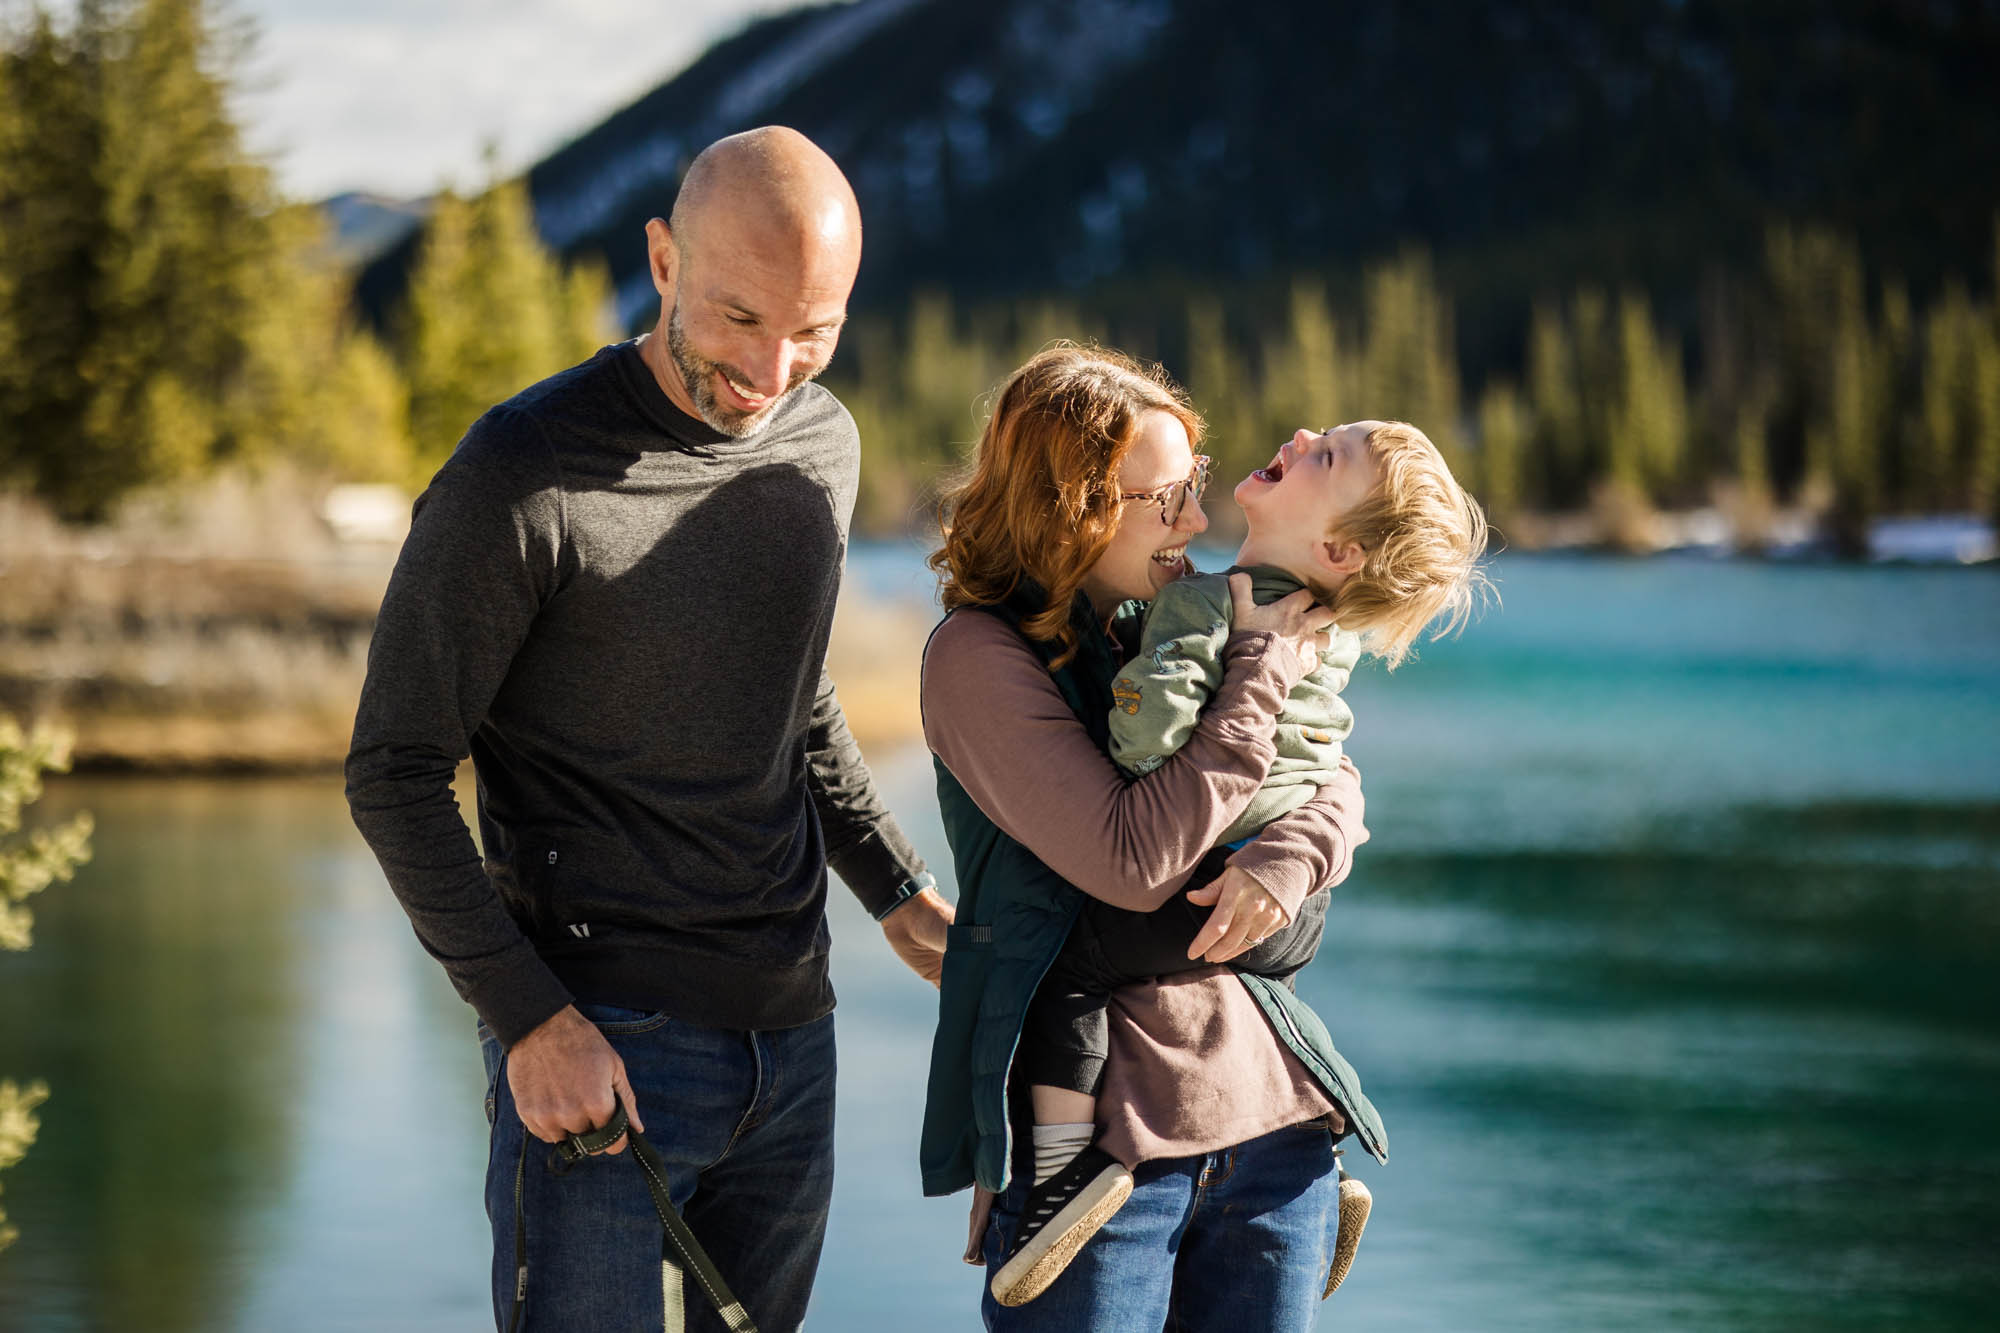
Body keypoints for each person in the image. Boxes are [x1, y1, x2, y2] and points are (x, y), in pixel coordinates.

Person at [345, 126, 953, 1332]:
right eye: (739, 319)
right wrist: (529, 1020)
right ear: (663, 260)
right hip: (599, 1050)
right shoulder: (520, 473)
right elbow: (394, 771)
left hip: (792, 1040)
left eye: (813, 331)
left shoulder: (820, 447)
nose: (773, 367)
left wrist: (894, 887)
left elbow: (798, 698)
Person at [919, 344, 1386, 1331]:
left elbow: (1333, 776)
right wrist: (1257, 667)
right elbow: (1135, 864)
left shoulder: (1168, 612)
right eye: (1163, 498)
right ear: (1069, 505)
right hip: (1106, 1167)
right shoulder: (975, 659)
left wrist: (1289, 857)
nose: (1196, 521)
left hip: (1277, 1129)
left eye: (1196, 489)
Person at [999, 418, 1489, 1304]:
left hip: (1205, 880)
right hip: (1292, 916)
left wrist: (1132, 694)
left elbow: (1147, 739)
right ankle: (1321, 1160)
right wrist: (1303, 845)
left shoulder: (1209, 605)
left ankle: (1057, 1177)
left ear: (1338, 545)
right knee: (1269, 998)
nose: (1302, 434)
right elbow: (1332, 760)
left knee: (1061, 966)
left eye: (1327, 455)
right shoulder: (1327, 628)